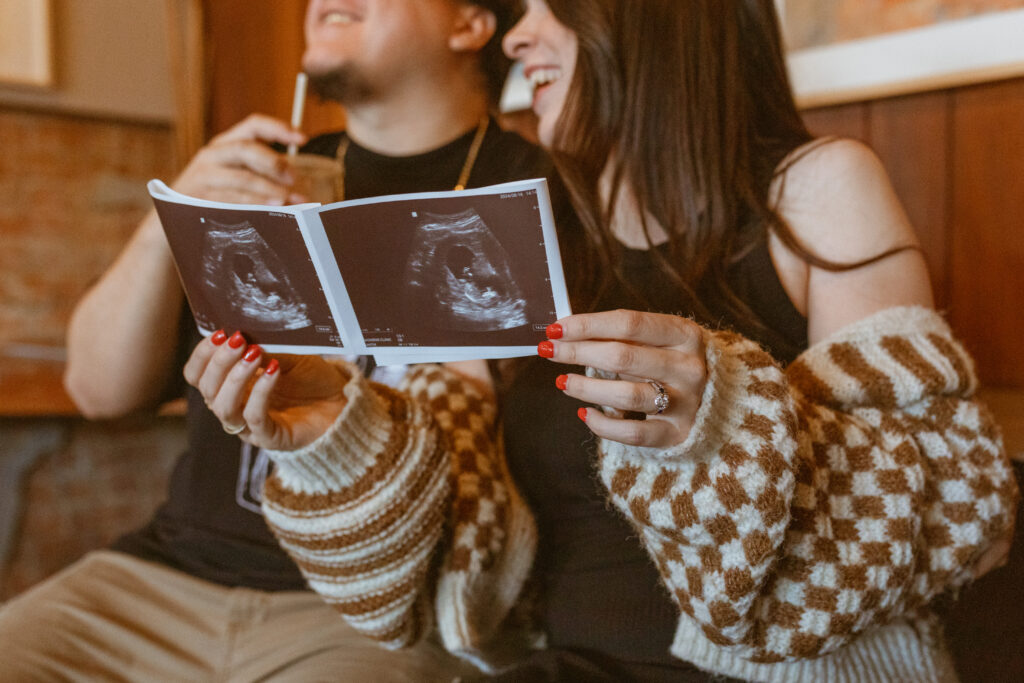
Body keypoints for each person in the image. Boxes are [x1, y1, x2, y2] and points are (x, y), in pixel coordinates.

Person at [175, 1, 1018, 682]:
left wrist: (721, 426)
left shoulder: (813, 190)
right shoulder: (522, 220)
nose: (518, 34)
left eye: (551, 5)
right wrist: (330, 430)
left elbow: (971, 524)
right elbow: (430, 547)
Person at [0, 1, 566, 680]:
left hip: (371, 611)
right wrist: (170, 217)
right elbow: (96, 390)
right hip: (161, 578)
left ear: (471, 25)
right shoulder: (256, 174)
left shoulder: (544, 196)